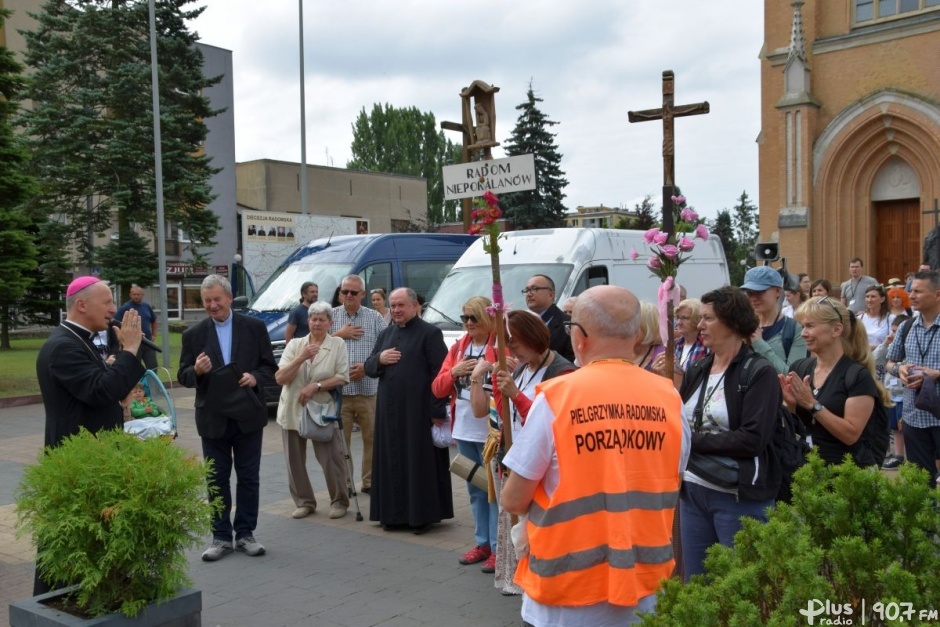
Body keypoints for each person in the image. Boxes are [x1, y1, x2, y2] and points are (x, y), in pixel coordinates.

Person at [501, 285, 686, 625]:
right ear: (636, 336)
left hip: (566, 592)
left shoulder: (558, 396)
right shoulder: (670, 399)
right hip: (646, 586)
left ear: (580, 338)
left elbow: (513, 499)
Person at [34, 275, 146, 593]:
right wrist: (131, 348)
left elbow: (102, 391)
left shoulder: (80, 341)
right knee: (72, 550)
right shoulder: (62, 347)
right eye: (107, 302)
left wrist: (121, 391)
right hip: (76, 459)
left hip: (94, 454)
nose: (114, 309)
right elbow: (98, 392)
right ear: (81, 305)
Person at [468, 309, 576, 594]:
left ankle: (540, 586)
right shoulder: (521, 367)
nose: (510, 350)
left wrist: (515, 394)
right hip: (517, 458)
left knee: (536, 532)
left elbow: (554, 424)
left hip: (543, 466)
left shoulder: (562, 371)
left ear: (532, 338)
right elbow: (500, 414)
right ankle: (521, 584)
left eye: (514, 343)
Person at [679, 286, 782, 581]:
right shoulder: (697, 369)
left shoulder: (758, 371)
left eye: (707, 318)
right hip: (693, 491)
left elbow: (752, 440)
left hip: (738, 495)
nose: (700, 325)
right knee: (696, 586)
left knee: (741, 586)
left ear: (732, 322)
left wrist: (692, 443)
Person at [178, 274, 277, 562]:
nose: (211, 305)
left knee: (248, 477)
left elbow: (269, 367)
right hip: (213, 418)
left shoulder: (254, 328)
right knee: (216, 480)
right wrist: (196, 370)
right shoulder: (193, 335)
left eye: (216, 300)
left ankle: (245, 533)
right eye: (207, 301)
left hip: (247, 415)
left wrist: (254, 377)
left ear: (230, 298)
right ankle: (221, 537)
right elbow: (183, 377)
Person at [365, 287, 452, 533]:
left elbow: (441, 374)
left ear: (416, 306)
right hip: (388, 413)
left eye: (401, 305)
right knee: (391, 459)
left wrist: (437, 411)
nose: (396, 310)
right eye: (393, 306)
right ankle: (393, 515)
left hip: (417, 413)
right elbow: (370, 367)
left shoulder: (430, 334)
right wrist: (380, 359)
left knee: (418, 463)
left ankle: (421, 516)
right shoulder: (385, 334)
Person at [431, 296, 499, 571]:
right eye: (465, 318)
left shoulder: (500, 346)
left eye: (474, 318)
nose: (468, 323)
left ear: (489, 318)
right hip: (464, 429)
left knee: (493, 491)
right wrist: (454, 372)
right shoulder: (459, 347)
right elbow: (437, 388)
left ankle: (497, 547)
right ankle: (482, 542)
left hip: (492, 432)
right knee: (475, 489)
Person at [782, 296, 890, 467]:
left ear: (836, 330)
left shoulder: (857, 375)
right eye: (803, 327)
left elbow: (850, 434)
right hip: (805, 471)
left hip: (845, 478)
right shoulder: (800, 368)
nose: (803, 333)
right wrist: (790, 406)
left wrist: (812, 405)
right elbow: (795, 426)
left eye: (810, 326)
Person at [275, 302, 351, 520]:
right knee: (294, 460)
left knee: (332, 458)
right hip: (292, 408)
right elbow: (280, 378)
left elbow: (342, 377)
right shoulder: (296, 345)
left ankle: (339, 501)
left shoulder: (337, 344)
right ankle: (304, 502)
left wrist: (315, 386)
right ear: (308, 321)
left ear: (330, 323)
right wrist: (301, 357)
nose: (317, 323)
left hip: (322, 408)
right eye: (313, 319)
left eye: (322, 319)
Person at [330, 274, 387, 494]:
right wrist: (338, 334)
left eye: (354, 292)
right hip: (340, 391)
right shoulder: (331, 316)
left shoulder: (374, 318)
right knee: (339, 443)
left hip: (368, 389)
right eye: (345, 292)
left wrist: (367, 367)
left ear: (363, 294)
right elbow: (316, 346)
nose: (349, 296)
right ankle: (345, 483)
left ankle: (370, 481)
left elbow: (387, 346)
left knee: (372, 439)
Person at [886, 269, 940, 485]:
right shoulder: (907, 326)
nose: (912, 295)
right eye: (911, 291)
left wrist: (936, 374)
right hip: (914, 415)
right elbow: (889, 361)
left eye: (918, 291)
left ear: (937, 294)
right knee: (920, 483)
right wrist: (899, 369)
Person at [741, 265, 808, 374]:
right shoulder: (741, 327)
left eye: (760, 292)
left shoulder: (794, 329)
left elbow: (793, 376)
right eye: (749, 293)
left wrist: (759, 344)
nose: (753, 298)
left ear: (778, 291)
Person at [876, 315, 909, 469]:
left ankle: (910, 456)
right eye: (893, 331)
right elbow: (875, 360)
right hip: (891, 393)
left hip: (905, 394)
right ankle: (899, 455)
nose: (894, 334)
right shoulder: (891, 347)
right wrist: (885, 344)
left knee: (905, 427)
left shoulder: (909, 348)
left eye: (897, 332)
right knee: (895, 427)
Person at [523, 274, 574, 362]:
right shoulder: (523, 324)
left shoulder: (569, 325)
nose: (529, 294)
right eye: (527, 290)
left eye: (534, 289)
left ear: (551, 294)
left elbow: (572, 362)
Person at [115, 284, 158, 370]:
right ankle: (136, 383)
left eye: (138, 294)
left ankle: (151, 383)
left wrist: (154, 335)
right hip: (134, 343)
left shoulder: (146, 306)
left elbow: (154, 321)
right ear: (130, 295)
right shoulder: (125, 307)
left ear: (142, 295)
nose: (136, 297)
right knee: (134, 367)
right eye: (134, 294)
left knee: (153, 366)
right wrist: (121, 340)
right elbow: (116, 323)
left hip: (148, 342)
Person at [633, 301, 665, 371]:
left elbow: (675, 381)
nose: (629, 329)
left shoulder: (663, 355)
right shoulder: (621, 350)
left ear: (648, 327)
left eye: (634, 324)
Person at [857, 284, 891, 350]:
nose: (869, 300)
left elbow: (892, 343)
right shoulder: (859, 318)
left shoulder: (890, 318)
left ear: (882, 299)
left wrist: (875, 347)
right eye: (867, 296)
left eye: (873, 297)